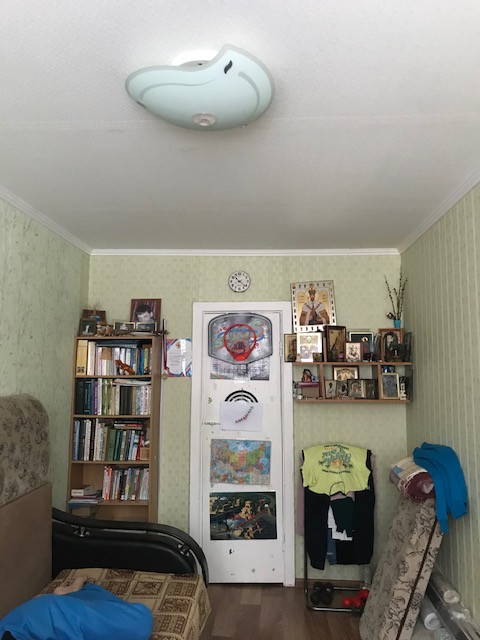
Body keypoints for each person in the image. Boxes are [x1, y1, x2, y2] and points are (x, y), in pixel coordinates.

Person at [0, 576, 153, 640]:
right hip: (36, 619)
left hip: (50, 617)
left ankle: (70, 594)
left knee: (140, 623)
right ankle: (72, 593)